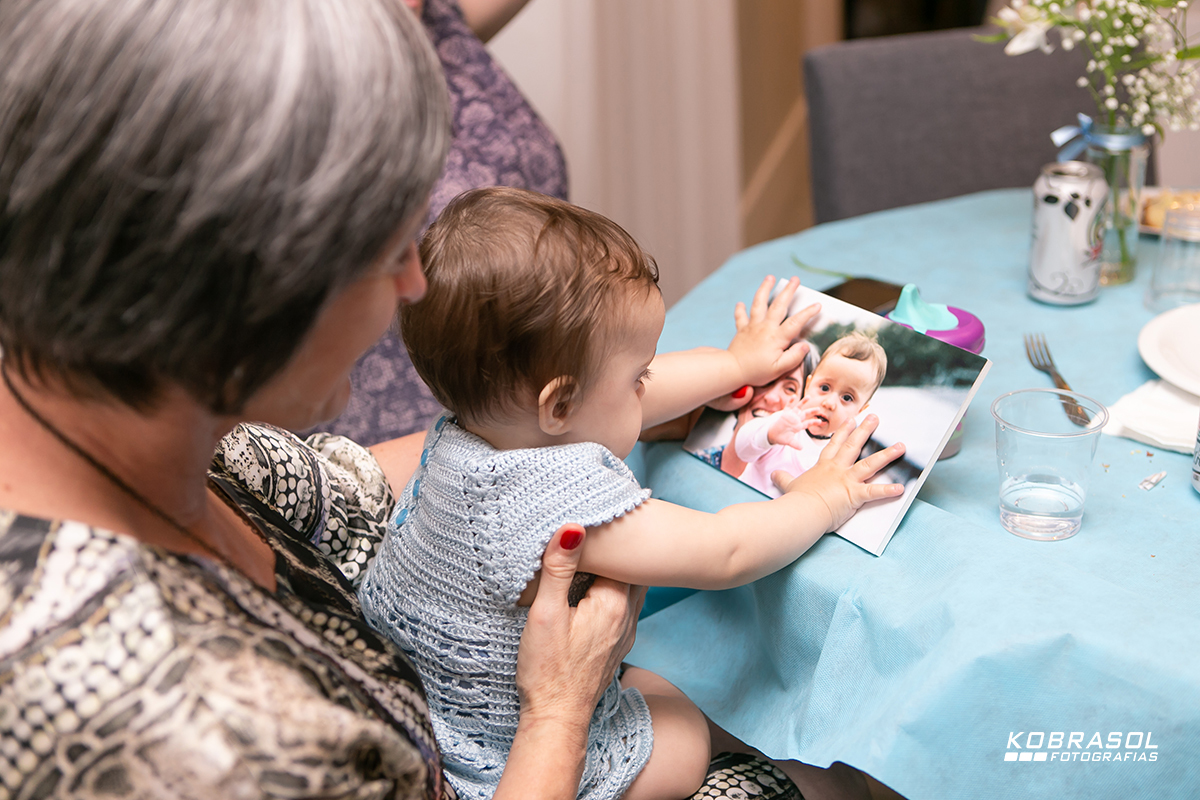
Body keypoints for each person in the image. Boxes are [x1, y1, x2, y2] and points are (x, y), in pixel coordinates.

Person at [0, 2, 647, 797]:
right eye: (389, 251)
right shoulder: (207, 736)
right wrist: (560, 708)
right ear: (248, 287)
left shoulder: (112, 411)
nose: (414, 283)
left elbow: (345, 484)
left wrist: (605, 402)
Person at [358, 187, 907, 800]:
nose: (648, 385)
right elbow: (724, 550)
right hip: (501, 760)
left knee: (657, 683)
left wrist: (734, 366)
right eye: (638, 376)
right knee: (683, 729)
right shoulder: (550, 503)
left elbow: (634, 393)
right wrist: (821, 500)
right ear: (559, 405)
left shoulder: (462, 437)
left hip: (441, 711)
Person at [315, 0, 568, 446]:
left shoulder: (431, 21)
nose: (412, 281)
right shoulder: (288, 82)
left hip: (545, 408)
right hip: (406, 456)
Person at [727, 332, 888, 498]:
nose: (829, 403)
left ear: (860, 410)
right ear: (808, 385)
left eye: (847, 398)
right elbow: (742, 450)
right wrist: (769, 435)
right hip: (741, 501)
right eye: (824, 388)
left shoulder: (838, 459)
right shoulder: (785, 423)